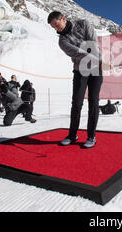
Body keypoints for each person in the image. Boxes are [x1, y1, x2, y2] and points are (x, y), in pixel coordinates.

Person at [47, 11, 110, 149]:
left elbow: (92, 45)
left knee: (93, 101)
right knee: (77, 103)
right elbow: (78, 53)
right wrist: (98, 60)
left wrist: (98, 62)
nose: (56, 29)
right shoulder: (62, 41)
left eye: (57, 25)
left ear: (63, 19)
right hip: (80, 70)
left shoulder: (84, 24)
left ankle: (91, 136)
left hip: (95, 69)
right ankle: (72, 135)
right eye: (54, 27)